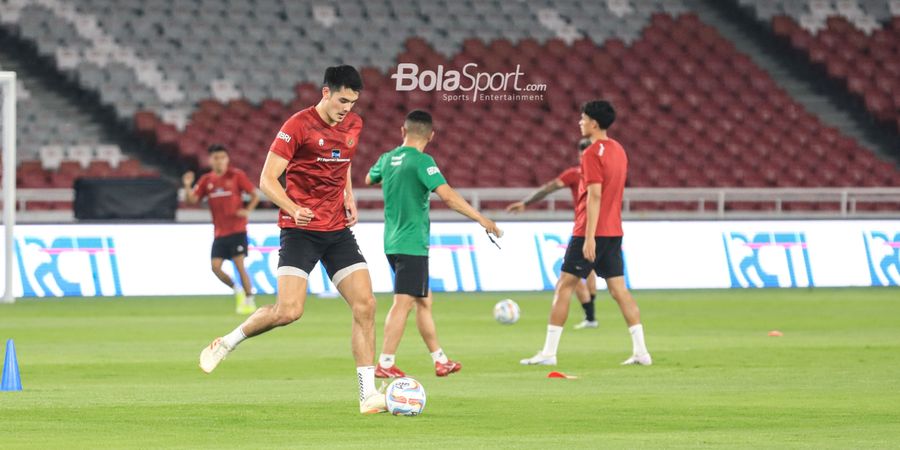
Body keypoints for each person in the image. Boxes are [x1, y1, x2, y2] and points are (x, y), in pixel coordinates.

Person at [198, 65, 389, 414]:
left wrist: (348, 195)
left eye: (353, 102)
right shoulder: (296, 126)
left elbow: (342, 161)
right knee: (289, 312)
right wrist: (292, 206)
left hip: (336, 230)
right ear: (325, 92)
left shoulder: (354, 125)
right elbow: (267, 179)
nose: (347, 108)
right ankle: (227, 342)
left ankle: (367, 394)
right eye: (342, 100)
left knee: (366, 305)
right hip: (299, 229)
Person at [365, 110, 502, 379]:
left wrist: (393, 175)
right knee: (403, 303)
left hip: (392, 241)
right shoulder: (423, 161)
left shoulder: (387, 157)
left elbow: (370, 178)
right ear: (431, 136)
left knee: (424, 301)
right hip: (413, 242)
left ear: (402, 131)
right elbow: (448, 197)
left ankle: (440, 360)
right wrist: (481, 218)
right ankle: (385, 362)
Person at [520, 100, 652, 367]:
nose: (579, 123)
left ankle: (548, 352)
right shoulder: (619, 150)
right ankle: (641, 352)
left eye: (582, 119)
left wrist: (589, 236)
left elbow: (594, 196)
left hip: (588, 232)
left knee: (564, 286)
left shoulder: (592, 153)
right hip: (614, 231)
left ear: (594, 122)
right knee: (619, 290)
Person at [506, 138, 599, 330]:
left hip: (585, 229)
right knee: (595, 274)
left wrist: (526, 203)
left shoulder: (576, 174)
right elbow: (550, 188)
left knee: (571, 275)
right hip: (606, 229)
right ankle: (593, 317)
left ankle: (590, 318)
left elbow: (549, 188)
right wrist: (526, 203)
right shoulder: (595, 175)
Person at [183, 144, 259, 314]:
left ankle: (249, 299)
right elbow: (192, 201)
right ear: (210, 160)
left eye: (222, 157)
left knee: (239, 265)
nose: (219, 161)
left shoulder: (236, 176)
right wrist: (188, 185)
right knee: (215, 267)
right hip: (220, 232)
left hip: (237, 229)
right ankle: (237, 289)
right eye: (216, 158)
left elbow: (254, 194)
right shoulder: (206, 180)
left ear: (227, 159)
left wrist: (247, 210)